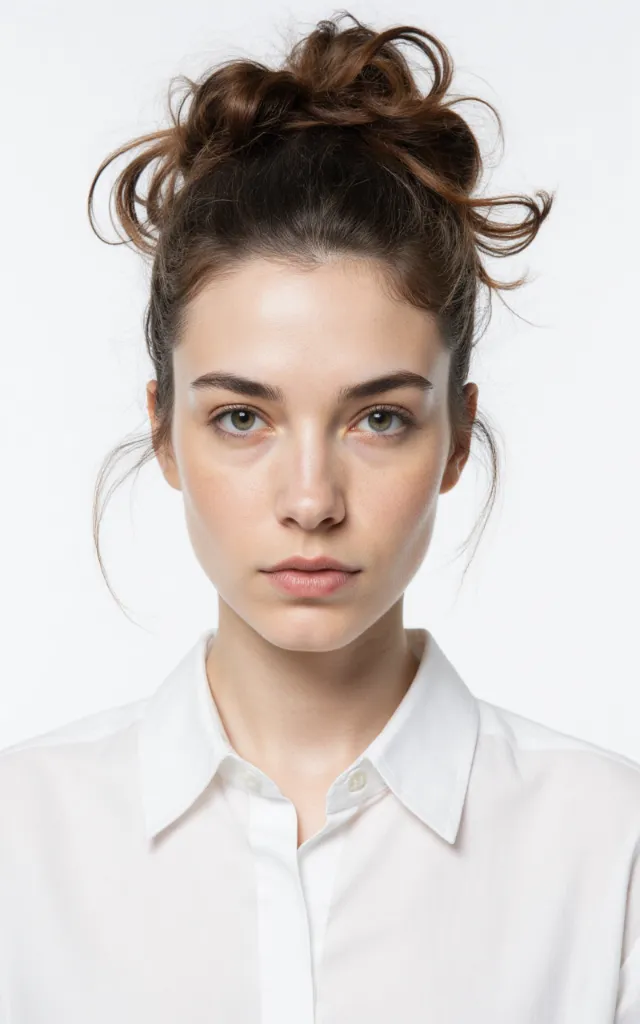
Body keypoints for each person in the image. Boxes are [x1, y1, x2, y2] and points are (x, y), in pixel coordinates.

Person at [0, 10, 638, 1023]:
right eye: (241, 417)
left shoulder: (609, 851)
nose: (310, 501)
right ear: (164, 431)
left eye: (378, 418)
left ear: (456, 437)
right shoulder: (21, 847)